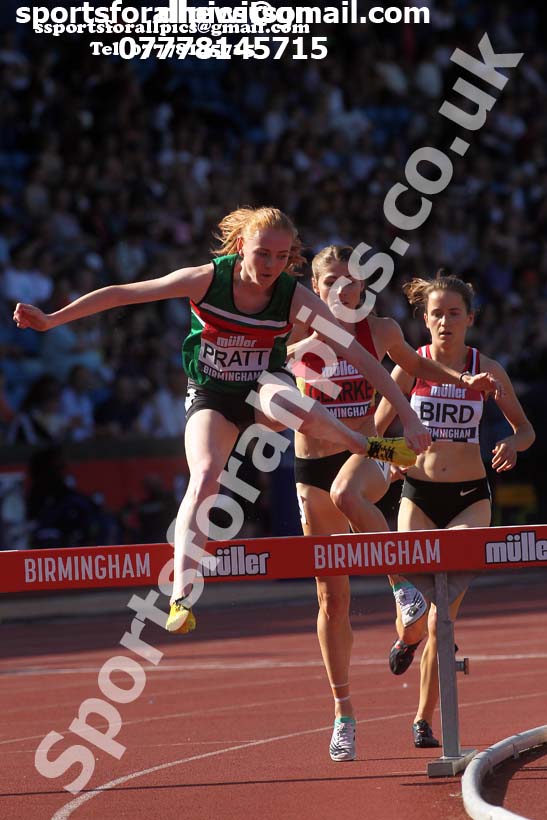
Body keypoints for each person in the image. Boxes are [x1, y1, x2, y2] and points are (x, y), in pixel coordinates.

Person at [13, 206, 430, 635]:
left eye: (282, 257)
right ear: (240, 247)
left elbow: (359, 355)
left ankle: (364, 444)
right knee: (207, 475)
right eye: (262, 254)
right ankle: (181, 594)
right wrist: (52, 319)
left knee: (290, 403)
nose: (270, 266)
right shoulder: (207, 279)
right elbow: (125, 293)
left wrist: (406, 416)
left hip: (264, 387)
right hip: (212, 396)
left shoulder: (293, 296)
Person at [288, 246, 502, 762]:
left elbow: (417, 366)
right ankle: (343, 713)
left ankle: (401, 585)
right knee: (331, 600)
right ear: (313, 287)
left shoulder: (380, 330)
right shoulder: (292, 332)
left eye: (350, 280)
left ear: (364, 287)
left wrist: (466, 383)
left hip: (373, 451)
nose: (341, 289)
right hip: (311, 465)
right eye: (330, 281)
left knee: (351, 490)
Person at [374, 272, 535, 749]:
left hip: (470, 499)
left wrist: (513, 442)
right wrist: (393, 464)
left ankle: (423, 719)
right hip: (419, 497)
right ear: (424, 320)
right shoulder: (410, 367)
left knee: (446, 617)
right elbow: (374, 437)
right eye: (436, 314)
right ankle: (406, 638)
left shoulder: (489, 370)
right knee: (417, 614)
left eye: (454, 314)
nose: (445, 322)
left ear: (470, 319)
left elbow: (526, 429)